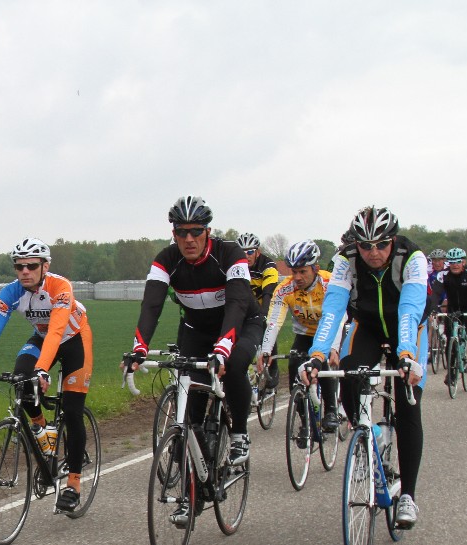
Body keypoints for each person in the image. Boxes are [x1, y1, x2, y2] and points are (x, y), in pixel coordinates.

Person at [129, 195, 263, 519]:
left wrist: (223, 348)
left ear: (208, 231)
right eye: (181, 232)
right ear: (173, 234)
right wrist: (139, 347)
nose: (189, 238)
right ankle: (195, 492)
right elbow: (151, 305)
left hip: (241, 324)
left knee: (233, 368)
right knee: (189, 416)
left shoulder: (229, 253)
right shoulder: (166, 259)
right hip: (196, 330)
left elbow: (237, 304)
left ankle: (239, 433)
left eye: (196, 231)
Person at [299, 205, 428, 529]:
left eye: (381, 244)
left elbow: (410, 308)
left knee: (409, 403)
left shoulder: (412, 258)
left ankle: (408, 496)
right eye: (366, 246)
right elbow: (333, 309)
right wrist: (317, 354)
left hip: (408, 328)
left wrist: (406, 354)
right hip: (367, 326)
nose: (373, 252)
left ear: (392, 240)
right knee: (349, 375)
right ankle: (369, 436)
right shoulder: (346, 260)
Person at [0, 238, 93, 512]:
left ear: (45, 266)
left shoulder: (60, 287)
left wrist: (42, 369)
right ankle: (43, 433)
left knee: (72, 411)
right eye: (19, 266)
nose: (24, 271)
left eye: (31, 266)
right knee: (22, 379)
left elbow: (57, 330)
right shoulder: (10, 293)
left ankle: (73, 484)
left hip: (73, 340)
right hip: (43, 339)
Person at [257, 240, 339, 433]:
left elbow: (338, 316)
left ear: (315, 268)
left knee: (322, 363)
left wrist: (334, 347)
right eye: (294, 272)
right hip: (305, 333)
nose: (298, 277)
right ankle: (304, 421)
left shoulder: (330, 283)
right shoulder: (285, 288)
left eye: (303, 271)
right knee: (294, 364)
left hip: (330, 331)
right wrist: (266, 351)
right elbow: (274, 322)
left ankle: (331, 411)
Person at [432, 248, 467, 382]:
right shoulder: (443, 275)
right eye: (452, 262)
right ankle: (451, 372)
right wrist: (433, 310)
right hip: (453, 308)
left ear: (463, 262)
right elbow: (435, 294)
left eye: (458, 262)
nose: (455, 265)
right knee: (450, 339)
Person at [239, 232, 281, 390]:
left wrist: (263, 315)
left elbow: (268, 293)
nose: (246, 256)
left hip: (265, 302)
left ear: (258, 252)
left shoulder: (268, 265)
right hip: (246, 306)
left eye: (250, 252)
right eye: (242, 252)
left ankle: (274, 367)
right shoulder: (237, 265)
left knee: (268, 326)